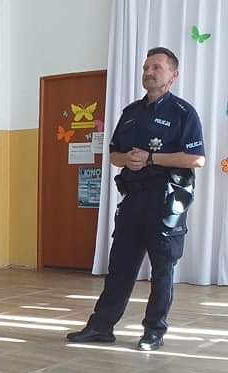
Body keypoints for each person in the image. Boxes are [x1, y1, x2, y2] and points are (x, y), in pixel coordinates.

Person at [67, 47, 205, 351]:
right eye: (146, 67)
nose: (149, 72)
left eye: (156, 67)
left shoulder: (183, 112)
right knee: (120, 267)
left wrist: (152, 158)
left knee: (162, 270)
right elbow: (114, 154)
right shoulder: (130, 113)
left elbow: (196, 159)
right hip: (132, 200)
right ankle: (101, 327)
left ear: (173, 75)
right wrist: (127, 159)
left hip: (166, 202)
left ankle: (154, 331)